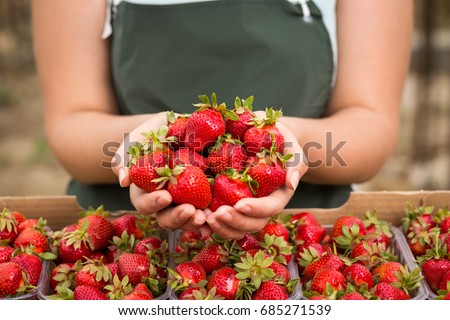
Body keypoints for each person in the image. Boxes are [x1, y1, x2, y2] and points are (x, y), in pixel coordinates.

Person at [32, 0, 413, 240]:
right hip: (129, 236)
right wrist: (144, 148)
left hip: (306, 237)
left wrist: (287, 139)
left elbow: (371, 123)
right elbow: (70, 124)